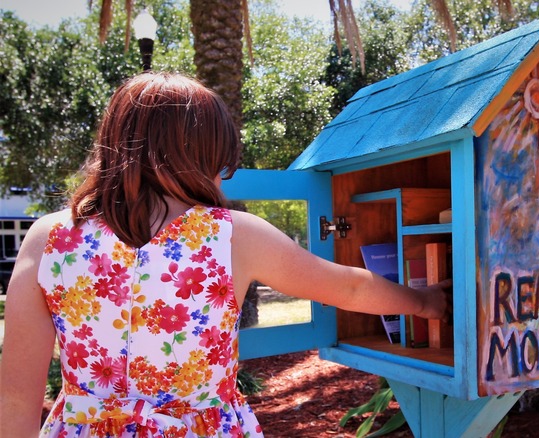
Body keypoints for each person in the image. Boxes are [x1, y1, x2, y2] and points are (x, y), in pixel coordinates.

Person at [0, 72, 449, 437]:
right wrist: (425, 301)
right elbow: (348, 286)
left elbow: (17, 396)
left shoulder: (48, 238)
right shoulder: (231, 236)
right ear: (204, 154)